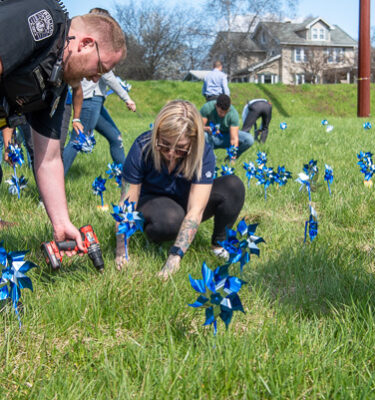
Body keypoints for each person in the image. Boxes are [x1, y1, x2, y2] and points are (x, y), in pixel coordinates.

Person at [0, 0, 126, 250]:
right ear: (85, 44)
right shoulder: (42, 18)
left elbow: (50, 158)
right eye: (100, 68)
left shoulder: (55, 85)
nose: (96, 78)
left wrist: (61, 222)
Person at [115, 100, 245, 279]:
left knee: (233, 186)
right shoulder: (142, 146)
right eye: (164, 145)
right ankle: (153, 236)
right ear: (157, 135)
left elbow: (196, 210)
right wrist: (122, 252)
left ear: (193, 143)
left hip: (185, 199)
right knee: (169, 221)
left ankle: (219, 244)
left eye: (181, 150)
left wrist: (174, 259)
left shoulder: (203, 153)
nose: (170, 154)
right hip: (154, 201)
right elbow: (127, 203)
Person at [62, 7, 136, 176]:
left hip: (97, 102)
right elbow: (109, 78)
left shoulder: (102, 50)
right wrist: (127, 98)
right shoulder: (100, 51)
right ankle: (50, 190)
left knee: (115, 137)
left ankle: (124, 177)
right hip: (89, 101)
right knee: (76, 141)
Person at [200, 94, 254, 159]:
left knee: (249, 139)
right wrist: (207, 129)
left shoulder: (233, 114)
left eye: (226, 112)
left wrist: (232, 158)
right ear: (216, 106)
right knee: (203, 134)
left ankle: (229, 159)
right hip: (210, 138)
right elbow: (199, 127)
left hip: (226, 137)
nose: (223, 114)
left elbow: (234, 139)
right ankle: (211, 158)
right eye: (220, 112)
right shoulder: (207, 108)